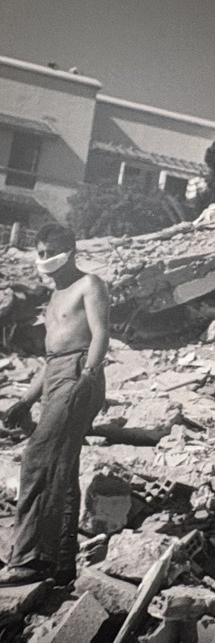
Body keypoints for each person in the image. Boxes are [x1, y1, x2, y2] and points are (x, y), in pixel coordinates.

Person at [0, 224, 109, 586]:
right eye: (40, 252)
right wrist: (26, 400)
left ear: (71, 250)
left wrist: (89, 377)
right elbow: (52, 360)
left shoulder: (89, 284)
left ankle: (31, 558)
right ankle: (61, 563)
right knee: (62, 466)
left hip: (80, 372)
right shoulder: (55, 296)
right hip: (58, 374)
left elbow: (100, 334)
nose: (44, 259)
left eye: (51, 252)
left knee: (37, 459)